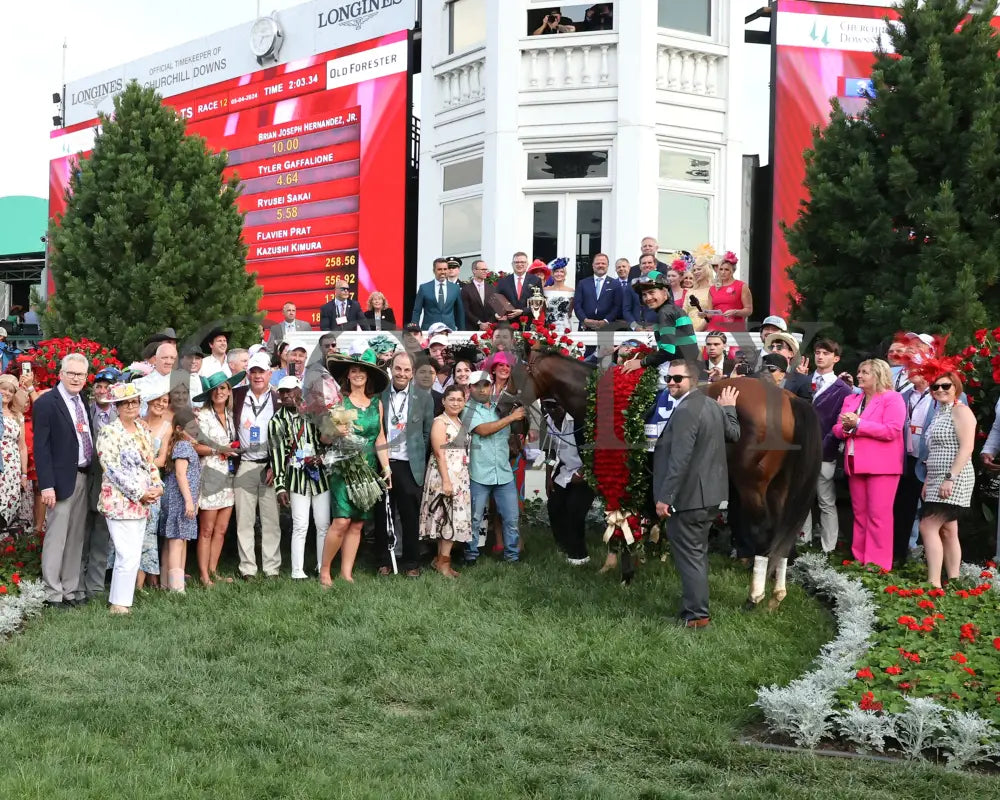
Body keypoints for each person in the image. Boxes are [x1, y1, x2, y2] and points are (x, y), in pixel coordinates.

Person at [653, 361, 741, 628]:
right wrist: (729, 409)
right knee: (697, 554)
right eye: (668, 377)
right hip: (709, 496)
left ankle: (696, 616)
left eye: (678, 378)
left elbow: (680, 459)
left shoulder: (686, 410)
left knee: (690, 556)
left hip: (689, 498)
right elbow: (734, 433)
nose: (671, 382)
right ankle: (695, 610)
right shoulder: (712, 405)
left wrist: (666, 497)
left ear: (693, 379)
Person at [320, 351, 391, 585]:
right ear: (348, 376)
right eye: (353, 370)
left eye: (362, 370)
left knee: (359, 522)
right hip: (344, 467)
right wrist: (335, 431)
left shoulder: (377, 404)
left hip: (368, 468)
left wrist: (386, 467)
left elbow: (380, 437)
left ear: (368, 375)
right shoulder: (340, 402)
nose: (358, 374)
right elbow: (324, 437)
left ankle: (346, 573)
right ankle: (325, 571)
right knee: (341, 520)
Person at [34, 353, 96, 608]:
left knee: (75, 538)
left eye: (80, 374)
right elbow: (41, 447)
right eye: (71, 373)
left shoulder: (82, 399)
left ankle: (71, 590)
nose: (75, 378)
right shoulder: (47, 402)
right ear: (60, 373)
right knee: (56, 538)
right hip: (59, 482)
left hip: (82, 476)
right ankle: (52, 593)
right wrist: (46, 485)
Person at [96, 383, 164, 615]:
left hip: (143, 502)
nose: (130, 406)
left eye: (134, 401)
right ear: (116, 406)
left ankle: (120, 599)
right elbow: (112, 469)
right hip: (119, 500)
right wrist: (139, 493)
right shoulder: (109, 432)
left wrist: (158, 487)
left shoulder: (143, 430)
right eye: (125, 403)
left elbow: (150, 462)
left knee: (133, 552)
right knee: (126, 552)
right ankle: (119, 604)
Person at [833, 359, 905, 571]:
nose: (859, 376)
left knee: (878, 516)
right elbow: (837, 429)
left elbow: (892, 430)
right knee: (860, 513)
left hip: (883, 466)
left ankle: (877, 564)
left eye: (865, 372)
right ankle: (860, 558)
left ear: (878, 375)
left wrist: (859, 424)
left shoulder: (893, 399)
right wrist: (847, 428)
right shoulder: (851, 399)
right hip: (855, 462)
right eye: (859, 371)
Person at [373, 352, 433, 577]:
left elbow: (426, 432)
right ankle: (384, 560)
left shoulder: (423, 397)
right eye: (398, 368)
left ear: (413, 372)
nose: (402, 374)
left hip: (409, 464)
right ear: (391, 368)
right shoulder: (379, 394)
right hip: (384, 462)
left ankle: (411, 563)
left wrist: (417, 454)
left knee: (409, 516)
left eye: (407, 370)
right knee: (383, 514)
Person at [918, 365, 976, 588]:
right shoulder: (940, 412)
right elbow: (935, 451)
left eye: (946, 386)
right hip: (935, 477)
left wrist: (950, 478)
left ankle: (934, 583)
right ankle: (954, 580)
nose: (940, 390)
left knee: (928, 526)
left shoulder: (961, 411)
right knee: (949, 529)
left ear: (956, 387)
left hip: (955, 476)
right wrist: (928, 480)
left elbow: (967, 447)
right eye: (936, 386)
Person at [268, 376, 331, 579]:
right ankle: (297, 571)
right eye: (283, 392)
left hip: (320, 473)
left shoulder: (314, 411)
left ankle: (323, 566)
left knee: (323, 524)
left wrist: (322, 458)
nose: (286, 395)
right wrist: (280, 486)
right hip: (296, 475)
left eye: (290, 391)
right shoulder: (277, 421)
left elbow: (328, 439)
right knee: (300, 524)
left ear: (299, 391)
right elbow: (276, 456)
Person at [464, 371, 527, 564]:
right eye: (478, 385)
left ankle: (512, 556)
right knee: (474, 519)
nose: (483, 389)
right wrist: (511, 418)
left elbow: (518, 428)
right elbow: (483, 430)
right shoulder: (467, 409)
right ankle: (470, 556)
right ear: (470, 388)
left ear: (491, 387)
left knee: (511, 518)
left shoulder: (501, 408)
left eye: (486, 385)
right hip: (479, 473)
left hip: (503, 471)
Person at [232, 351, 280, 579]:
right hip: (246, 464)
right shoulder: (237, 396)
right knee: (244, 520)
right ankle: (247, 568)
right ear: (248, 374)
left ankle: (271, 568)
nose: (258, 376)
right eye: (254, 371)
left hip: (269, 466)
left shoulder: (279, 398)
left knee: (271, 520)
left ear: (270, 373)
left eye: (262, 371)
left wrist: (276, 465)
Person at [193, 371, 244, 586]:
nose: (219, 392)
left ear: (229, 390)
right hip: (210, 474)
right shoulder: (202, 415)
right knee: (207, 529)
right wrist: (218, 449)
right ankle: (204, 575)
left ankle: (214, 571)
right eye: (214, 389)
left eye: (223, 388)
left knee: (221, 529)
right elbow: (195, 446)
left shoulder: (233, 415)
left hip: (229, 475)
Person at [801, 339, 852, 553]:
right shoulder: (802, 382)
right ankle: (802, 542)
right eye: (817, 352)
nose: (820, 356)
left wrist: (826, 446)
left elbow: (841, 422)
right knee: (802, 500)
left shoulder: (843, 389)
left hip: (826, 451)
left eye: (826, 353)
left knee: (826, 500)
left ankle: (828, 548)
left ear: (836, 358)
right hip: (800, 451)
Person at [418, 385, 472, 577]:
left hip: (460, 477)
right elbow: (439, 453)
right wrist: (447, 481)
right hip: (444, 475)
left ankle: (440, 560)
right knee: (447, 519)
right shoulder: (440, 422)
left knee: (448, 521)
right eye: (452, 399)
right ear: (443, 401)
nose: (456, 403)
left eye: (459, 399)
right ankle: (444, 564)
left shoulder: (459, 422)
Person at [620, 272, 700, 375]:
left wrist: (641, 362)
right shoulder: (671, 310)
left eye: (652, 292)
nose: (648, 298)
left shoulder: (665, 312)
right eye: (644, 294)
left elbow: (668, 351)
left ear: (664, 293)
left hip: (681, 371)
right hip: (686, 367)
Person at [545, 404, 593, 565]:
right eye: (548, 407)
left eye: (556, 407)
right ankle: (563, 545)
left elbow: (594, 450)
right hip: (565, 469)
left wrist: (584, 472)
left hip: (586, 469)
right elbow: (550, 451)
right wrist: (548, 477)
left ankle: (579, 555)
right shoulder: (547, 421)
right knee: (554, 505)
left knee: (575, 508)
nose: (552, 411)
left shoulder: (577, 421)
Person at [135, 385, 172, 592]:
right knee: (132, 532)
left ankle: (139, 586)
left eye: (164, 401)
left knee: (148, 534)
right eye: (157, 400)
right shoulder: (136, 423)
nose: (160, 404)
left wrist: (143, 463)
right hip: (132, 485)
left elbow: (162, 459)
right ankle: (126, 580)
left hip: (153, 484)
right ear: (148, 402)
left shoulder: (166, 427)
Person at [161, 408, 201, 593]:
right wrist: (188, 501)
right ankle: (176, 588)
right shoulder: (183, 446)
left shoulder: (183, 445)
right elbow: (180, 474)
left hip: (178, 498)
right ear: (179, 429)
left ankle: (166, 583)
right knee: (177, 540)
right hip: (179, 498)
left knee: (176, 539)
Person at [0, 375, 28, 527]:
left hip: (12, 470)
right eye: (3, 388)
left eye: (11, 391)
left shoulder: (18, 416)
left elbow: (22, 446)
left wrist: (23, 474)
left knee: (8, 506)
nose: (7, 393)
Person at [412, 258, 466, 331]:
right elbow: (417, 311)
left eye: (445, 269)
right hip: (429, 330)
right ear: (434, 271)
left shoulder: (455, 288)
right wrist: (414, 329)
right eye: (439, 269)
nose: (443, 272)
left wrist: (462, 331)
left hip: (449, 330)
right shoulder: (424, 288)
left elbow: (460, 312)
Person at [706, 252, 752, 333]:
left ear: (733, 271)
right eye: (721, 269)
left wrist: (735, 312)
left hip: (734, 329)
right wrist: (704, 314)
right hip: (714, 329)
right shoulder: (712, 289)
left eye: (726, 269)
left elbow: (749, 310)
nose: (723, 272)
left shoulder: (741, 286)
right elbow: (710, 313)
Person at [573, 253, 621, 331]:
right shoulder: (583, 283)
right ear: (593, 265)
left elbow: (617, 306)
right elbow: (577, 305)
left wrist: (606, 321)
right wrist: (584, 320)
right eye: (597, 263)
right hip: (585, 327)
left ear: (607, 265)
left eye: (603, 263)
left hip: (607, 327)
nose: (600, 265)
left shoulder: (615, 284)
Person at [763, 333, 813, 400]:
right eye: (771, 347)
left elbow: (804, 408)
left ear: (791, 353)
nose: (774, 350)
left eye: (779, 347)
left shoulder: (803, 380)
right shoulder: (758, 376)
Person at [495, 252, 543, 318]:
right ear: (512, 264)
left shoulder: (536, 280)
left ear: (527, 264)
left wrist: (523, 311)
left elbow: (539, 303)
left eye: (522, 262)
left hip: (528, 322)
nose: (519, 264)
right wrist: (498, 313)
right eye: (516, 262)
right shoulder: (503, 281)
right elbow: (497, 301)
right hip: (508, 323)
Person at [462, 260, 500, 330]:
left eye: (486, 269)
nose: (485, 271)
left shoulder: (492, 288)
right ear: (474, 271)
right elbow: (466, 310)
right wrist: (479, 323)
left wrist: (489, 323)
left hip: (490, 328)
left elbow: (496, 308)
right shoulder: (466, 289)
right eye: (483, 269)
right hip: (472, 328)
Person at [544, 259, 575, 330]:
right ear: (552, 273)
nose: (559, 274)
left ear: (565, 274)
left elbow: (570, 312)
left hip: (565, 326)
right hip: (548, 326)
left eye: (561, 272)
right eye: (556, 271)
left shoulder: (571, 291)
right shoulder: (545, 290)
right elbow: (543, 310)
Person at [687, 256, 715, 333]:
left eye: (699, 269)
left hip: (707, 331)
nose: (696, 272)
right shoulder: (690, 291)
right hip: (689, 331)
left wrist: (699, 330)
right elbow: (684, 312)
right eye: (694, 270)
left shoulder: (714, 290)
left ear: (706, 270)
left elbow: (714, 312)